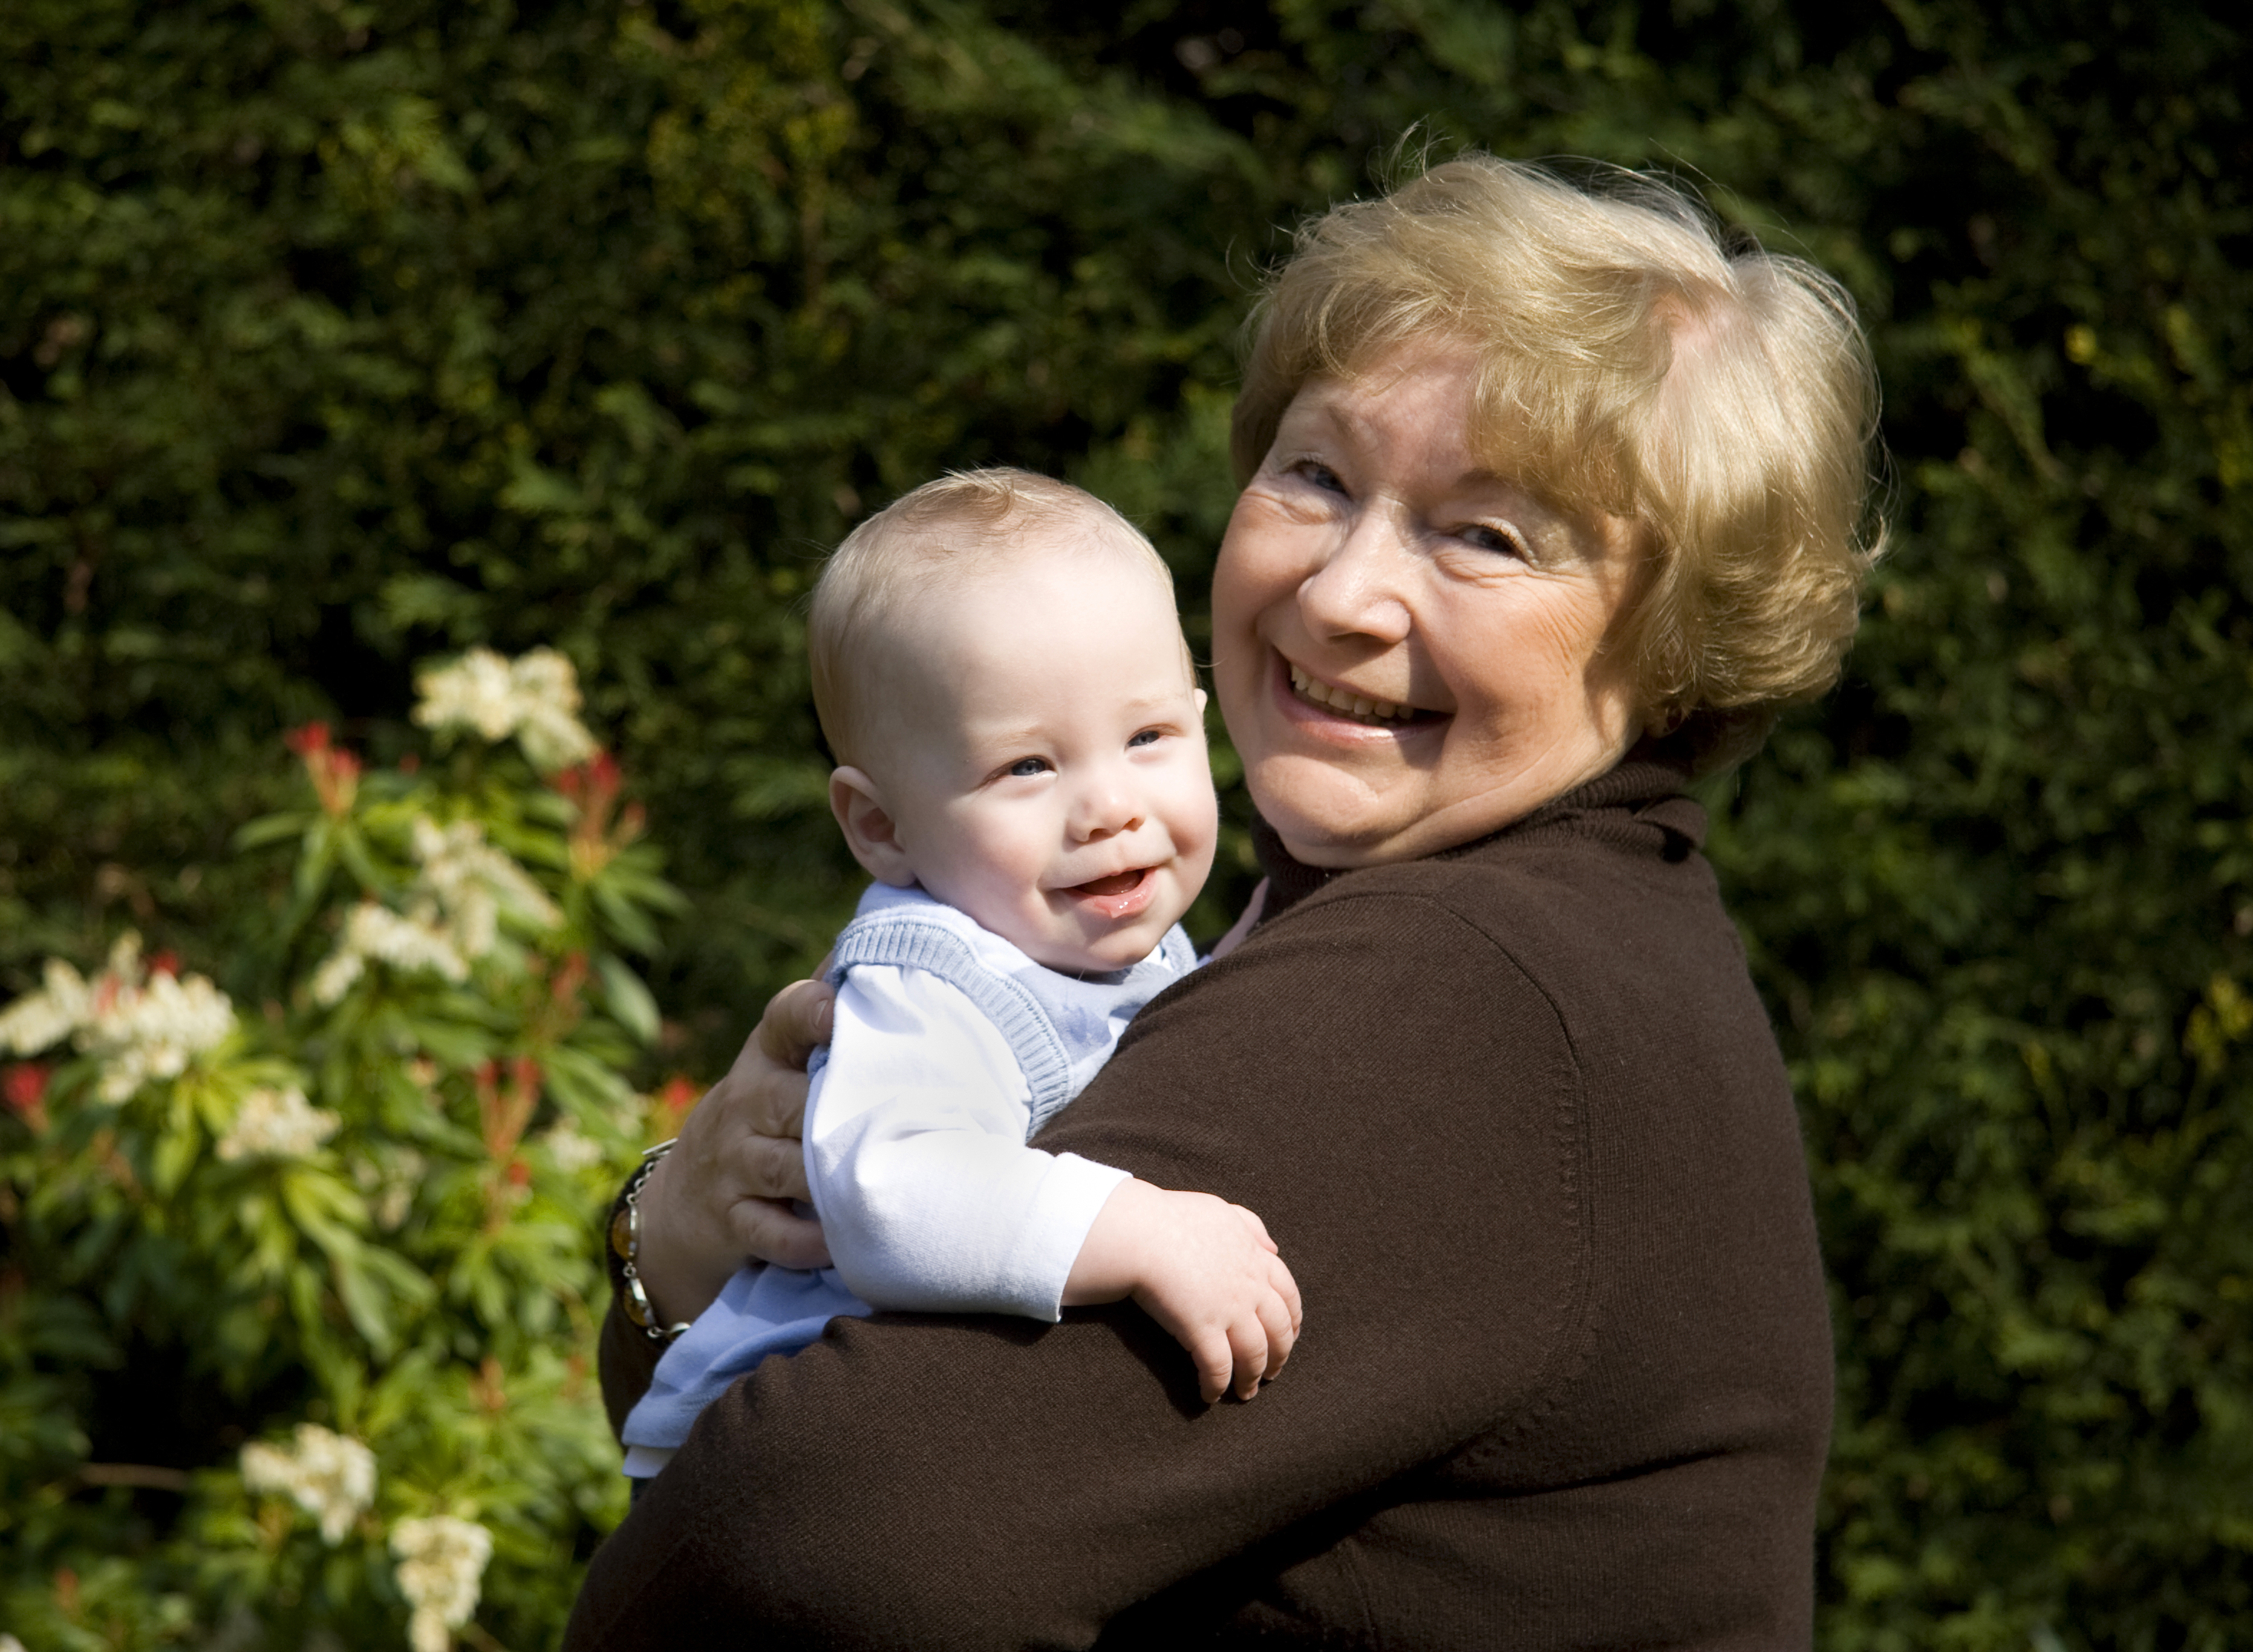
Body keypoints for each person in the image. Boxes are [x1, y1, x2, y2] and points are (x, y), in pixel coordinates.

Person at [568, 152, 1880, 1647]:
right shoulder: (1316, 925)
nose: (1338, 594)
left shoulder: (1457, 993)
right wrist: (674, 1238)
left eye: (1485, 535)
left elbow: (812, 1536)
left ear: (1673, 644)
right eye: (1315, 475)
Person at [615, 471, 1300, 1486]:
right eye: (1027, 767)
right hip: (778, 1463)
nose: (1111, 804)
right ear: (882, 827)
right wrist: (1143, 1231)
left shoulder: (1082, 927)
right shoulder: (934, 982)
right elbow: (897, 1195)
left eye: (1149, 736)